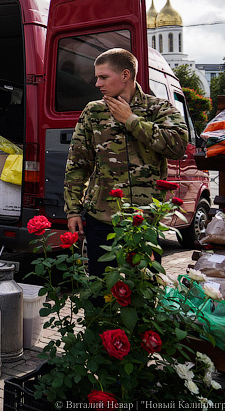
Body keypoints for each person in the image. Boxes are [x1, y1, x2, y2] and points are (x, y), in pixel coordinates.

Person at [64, 48, 187, 279]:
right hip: (101, 217)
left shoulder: (159, 109)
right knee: (100, 290)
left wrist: (131, 120)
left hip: (144, 219)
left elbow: (178, 146)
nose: (97, 83)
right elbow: (77, 164)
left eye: (103, 77)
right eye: (97, 76)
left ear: (125, 75)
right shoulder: (93, 112)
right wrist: (72, 210)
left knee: (145, 287)